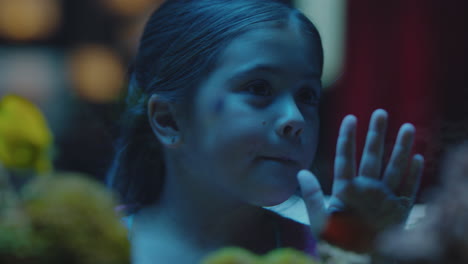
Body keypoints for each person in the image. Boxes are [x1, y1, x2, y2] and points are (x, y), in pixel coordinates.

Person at [106, 0, 424, 263]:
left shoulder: (329, 249)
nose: (295, 118)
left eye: (307, 96)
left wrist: (373, 255)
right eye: (259, 88)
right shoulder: (94, 247)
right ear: (168, 120)